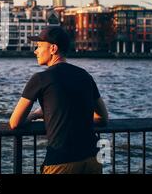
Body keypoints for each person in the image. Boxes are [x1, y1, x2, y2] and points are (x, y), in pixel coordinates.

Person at [9, 26, 108, 174]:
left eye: (39, 46)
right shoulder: (85, 76)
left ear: (53, 48)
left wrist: (37, 114)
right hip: (93, 158)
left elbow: (14, 123)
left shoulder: (40, 78)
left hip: (62, 160)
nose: (35, 51)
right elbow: (103, 118)